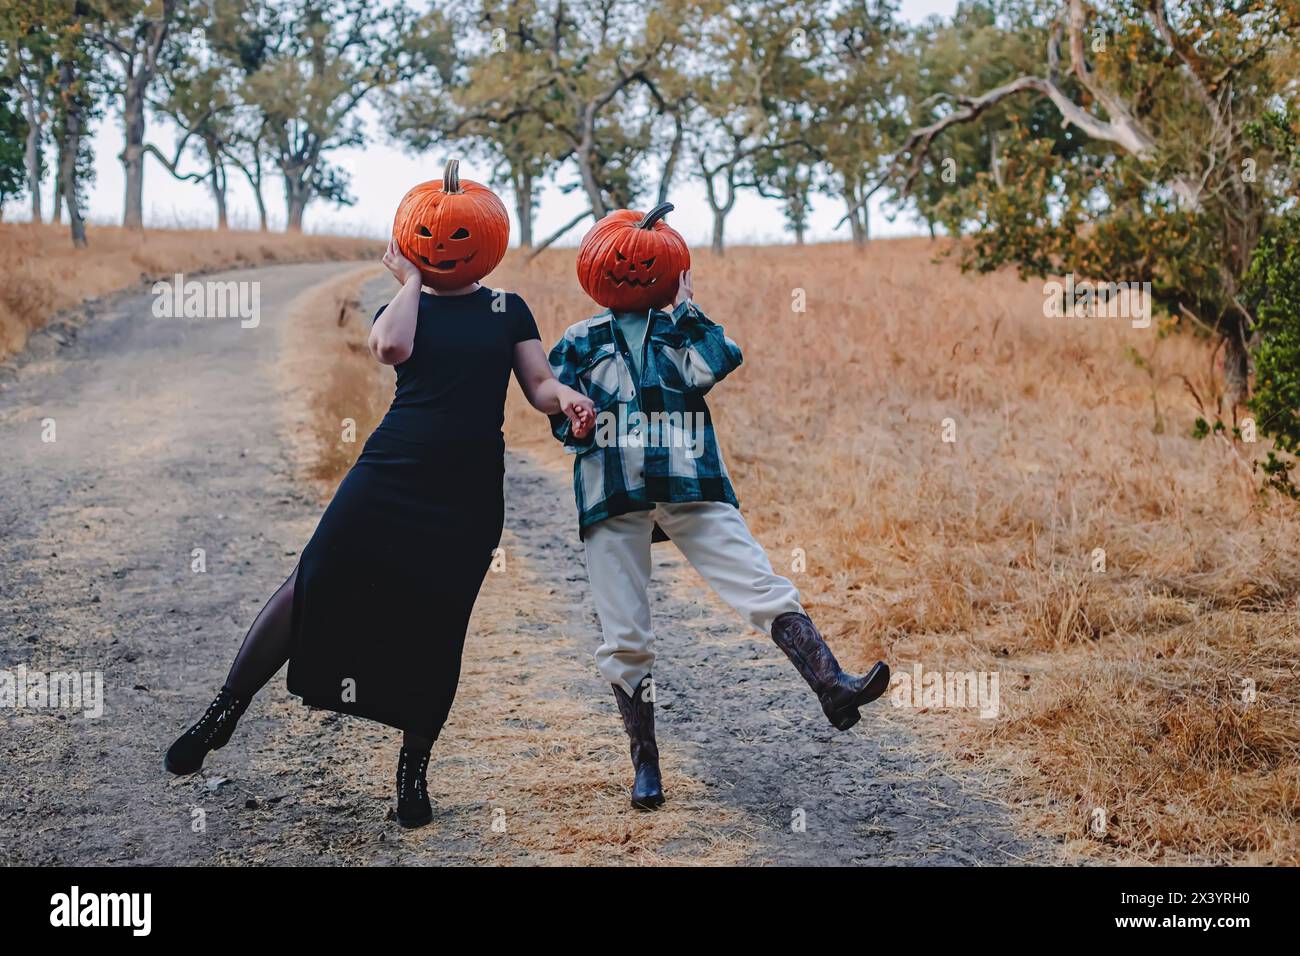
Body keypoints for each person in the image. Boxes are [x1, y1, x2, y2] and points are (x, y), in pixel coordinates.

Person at [165, 169, 595, 829]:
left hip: (468, 488)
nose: (441, 243)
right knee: (314, 577)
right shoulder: (404, 306)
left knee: (439, 619)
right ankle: (223, 711)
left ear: (486, 238)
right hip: (391, 470)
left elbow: (537, 383)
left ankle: (411, 772)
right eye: (427, 235)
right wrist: (414, 282)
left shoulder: (508, 309)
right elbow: (391, 346)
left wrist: (562, 397)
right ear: (406, 240)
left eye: (455, 236)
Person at [549, 205, 888, 810]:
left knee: (758, 582)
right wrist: (574, 423)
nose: (632, 271)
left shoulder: (682, 329)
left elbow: (717, 363)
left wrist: (686, 309)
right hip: (613, 491)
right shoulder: (579, 340)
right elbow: (558, 414)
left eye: (648, 263)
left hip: (689, 483)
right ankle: (646, 764)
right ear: (595, 263)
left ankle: (832, 686)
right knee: (625, 631)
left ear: (673, 270)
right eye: (620, 259)